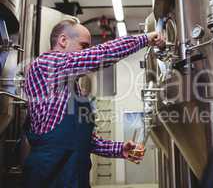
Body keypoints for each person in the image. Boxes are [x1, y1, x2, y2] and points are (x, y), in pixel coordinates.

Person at [23, 19, 165, 188]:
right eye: (83, 46)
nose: (86, 52)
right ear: (63, 41)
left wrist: (120, 149)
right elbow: (100, 54)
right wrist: (145, 38)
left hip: (75, 177)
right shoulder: (46, 64)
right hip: (50, 177)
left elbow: (81, 140)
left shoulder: (70, 87)